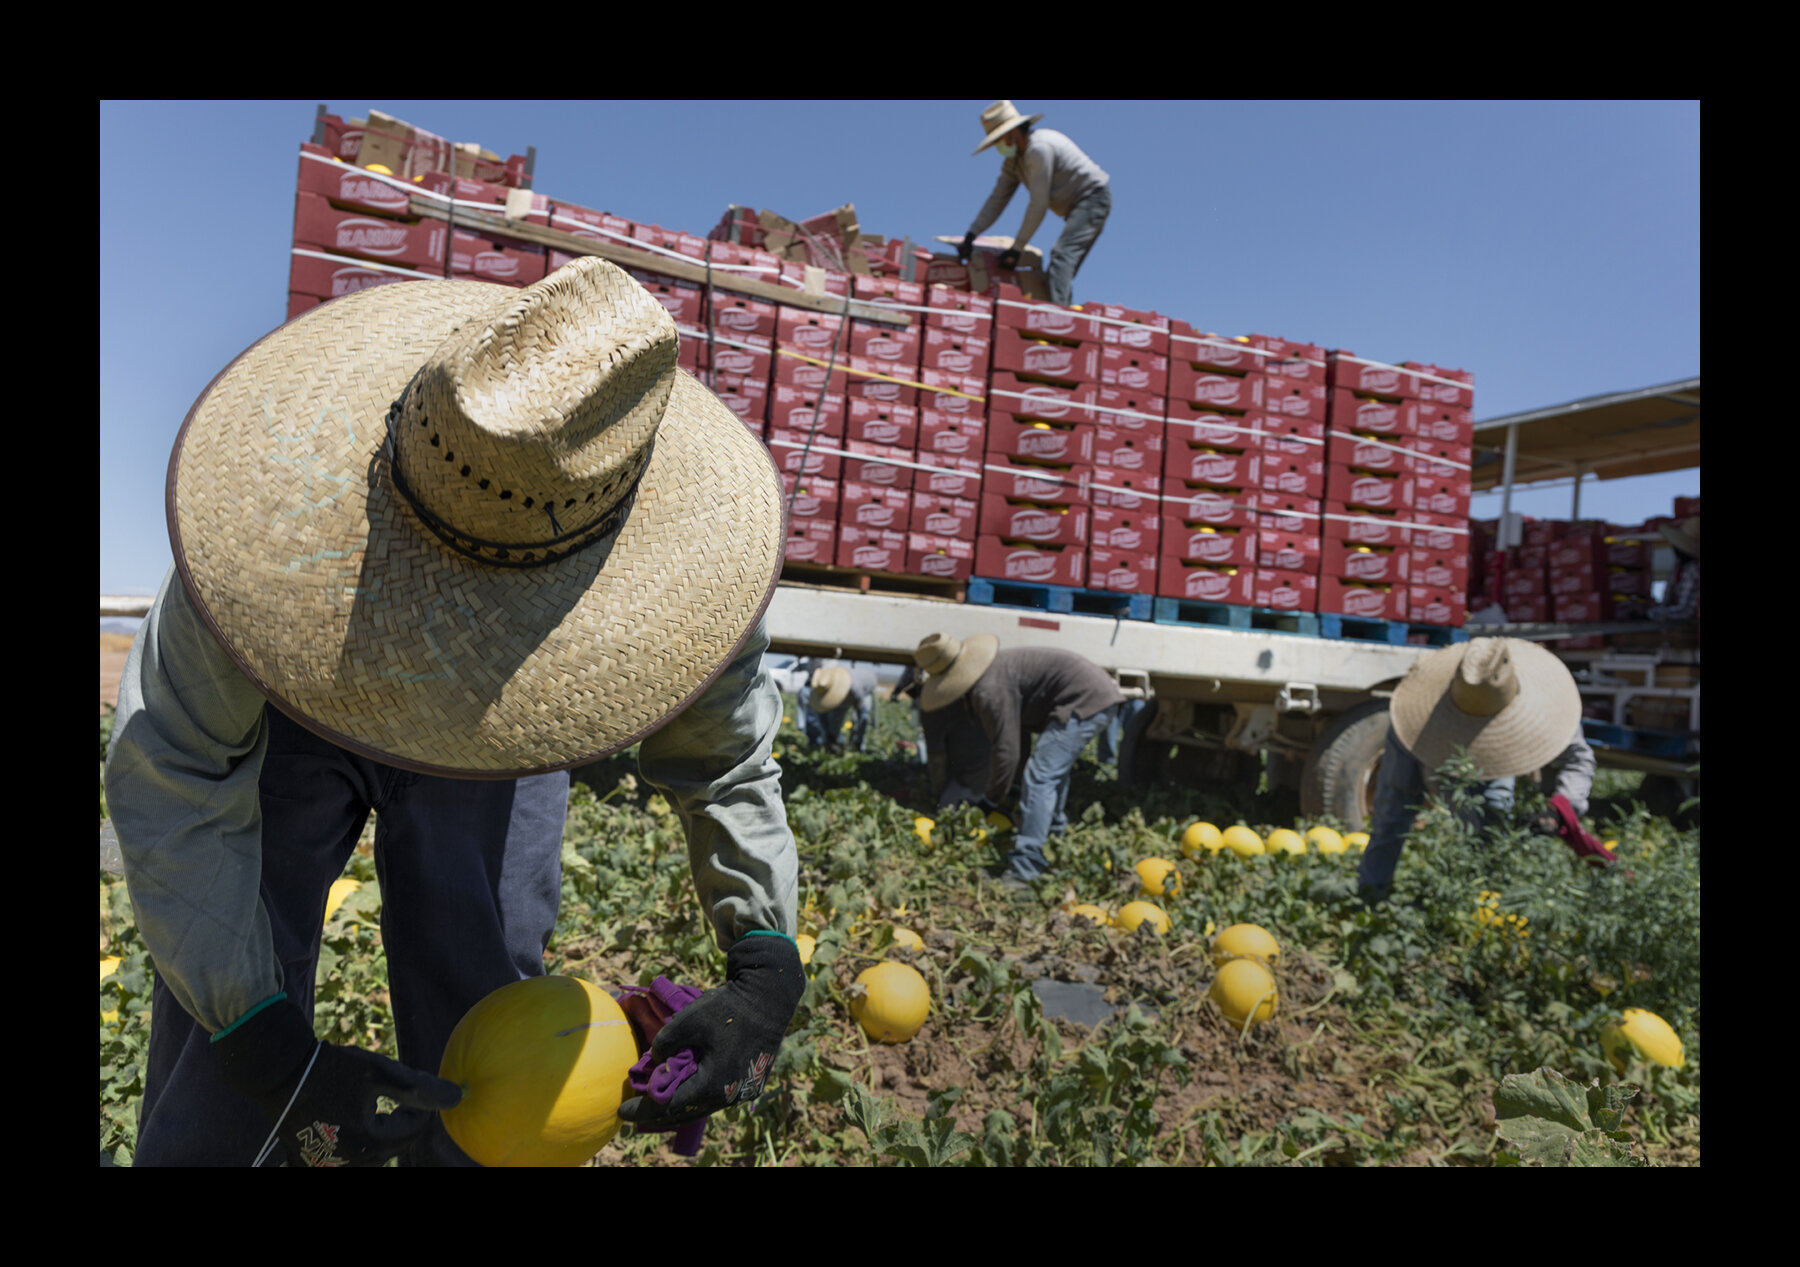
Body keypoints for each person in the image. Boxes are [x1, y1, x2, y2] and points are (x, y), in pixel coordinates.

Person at [103, 257, 806, 1166]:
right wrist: (260, 1041)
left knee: (488, 999)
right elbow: (177, 766)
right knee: (232, 1021)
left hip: (506, 725)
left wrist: (763, 964)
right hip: (298, 707)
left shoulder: (686, 568)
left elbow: (725, 759)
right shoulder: (261, 533)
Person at [1335, 637, 1606, 907]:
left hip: (1490, 765)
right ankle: (1370, 895)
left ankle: (1488, 903)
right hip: (1429, 741)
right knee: (1390, 817)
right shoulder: (1419, 713)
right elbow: (1406, 799)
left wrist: (1560, 809)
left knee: (1492, 825)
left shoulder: (1545, 704)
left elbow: (1579, 760)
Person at [913, 633, 1122, 888]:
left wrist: (992, 799)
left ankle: (1026, 869)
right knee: (1053, 774)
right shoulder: (993, 677)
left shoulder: (988, 690)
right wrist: (1009, 789)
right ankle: (1053, 845)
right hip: (1090, 694)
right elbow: (1017, 737)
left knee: (1040, 778)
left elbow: (1006, 750)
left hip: (1084, 699)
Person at [957, 100, 1112, 308]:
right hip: (1076, 206)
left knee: (1061, 256)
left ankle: (1061, 321)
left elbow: (1039, 204)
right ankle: (1063, 313)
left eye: (999, 140)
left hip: (1093, 199)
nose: (998, 147)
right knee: (1059, 272)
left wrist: (1016, 248)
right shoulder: (1014, 162)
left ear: (1012, 133)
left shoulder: (1039, 149)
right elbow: (998, 198)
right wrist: (972, 234)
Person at [809, 663, 878, 752]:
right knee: (835, 719)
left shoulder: (854, 686)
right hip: (850, 692)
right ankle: (834, 742)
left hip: (865, 691)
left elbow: (860, 703)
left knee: (862, 718)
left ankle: (859, 745)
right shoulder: (827, 683)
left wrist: (857, 713)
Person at [1648, 516, 1700, 622]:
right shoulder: (1678, 568)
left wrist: (1654, 614)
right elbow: (1666, 599)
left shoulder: (1693, 570)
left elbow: (1686, 611)